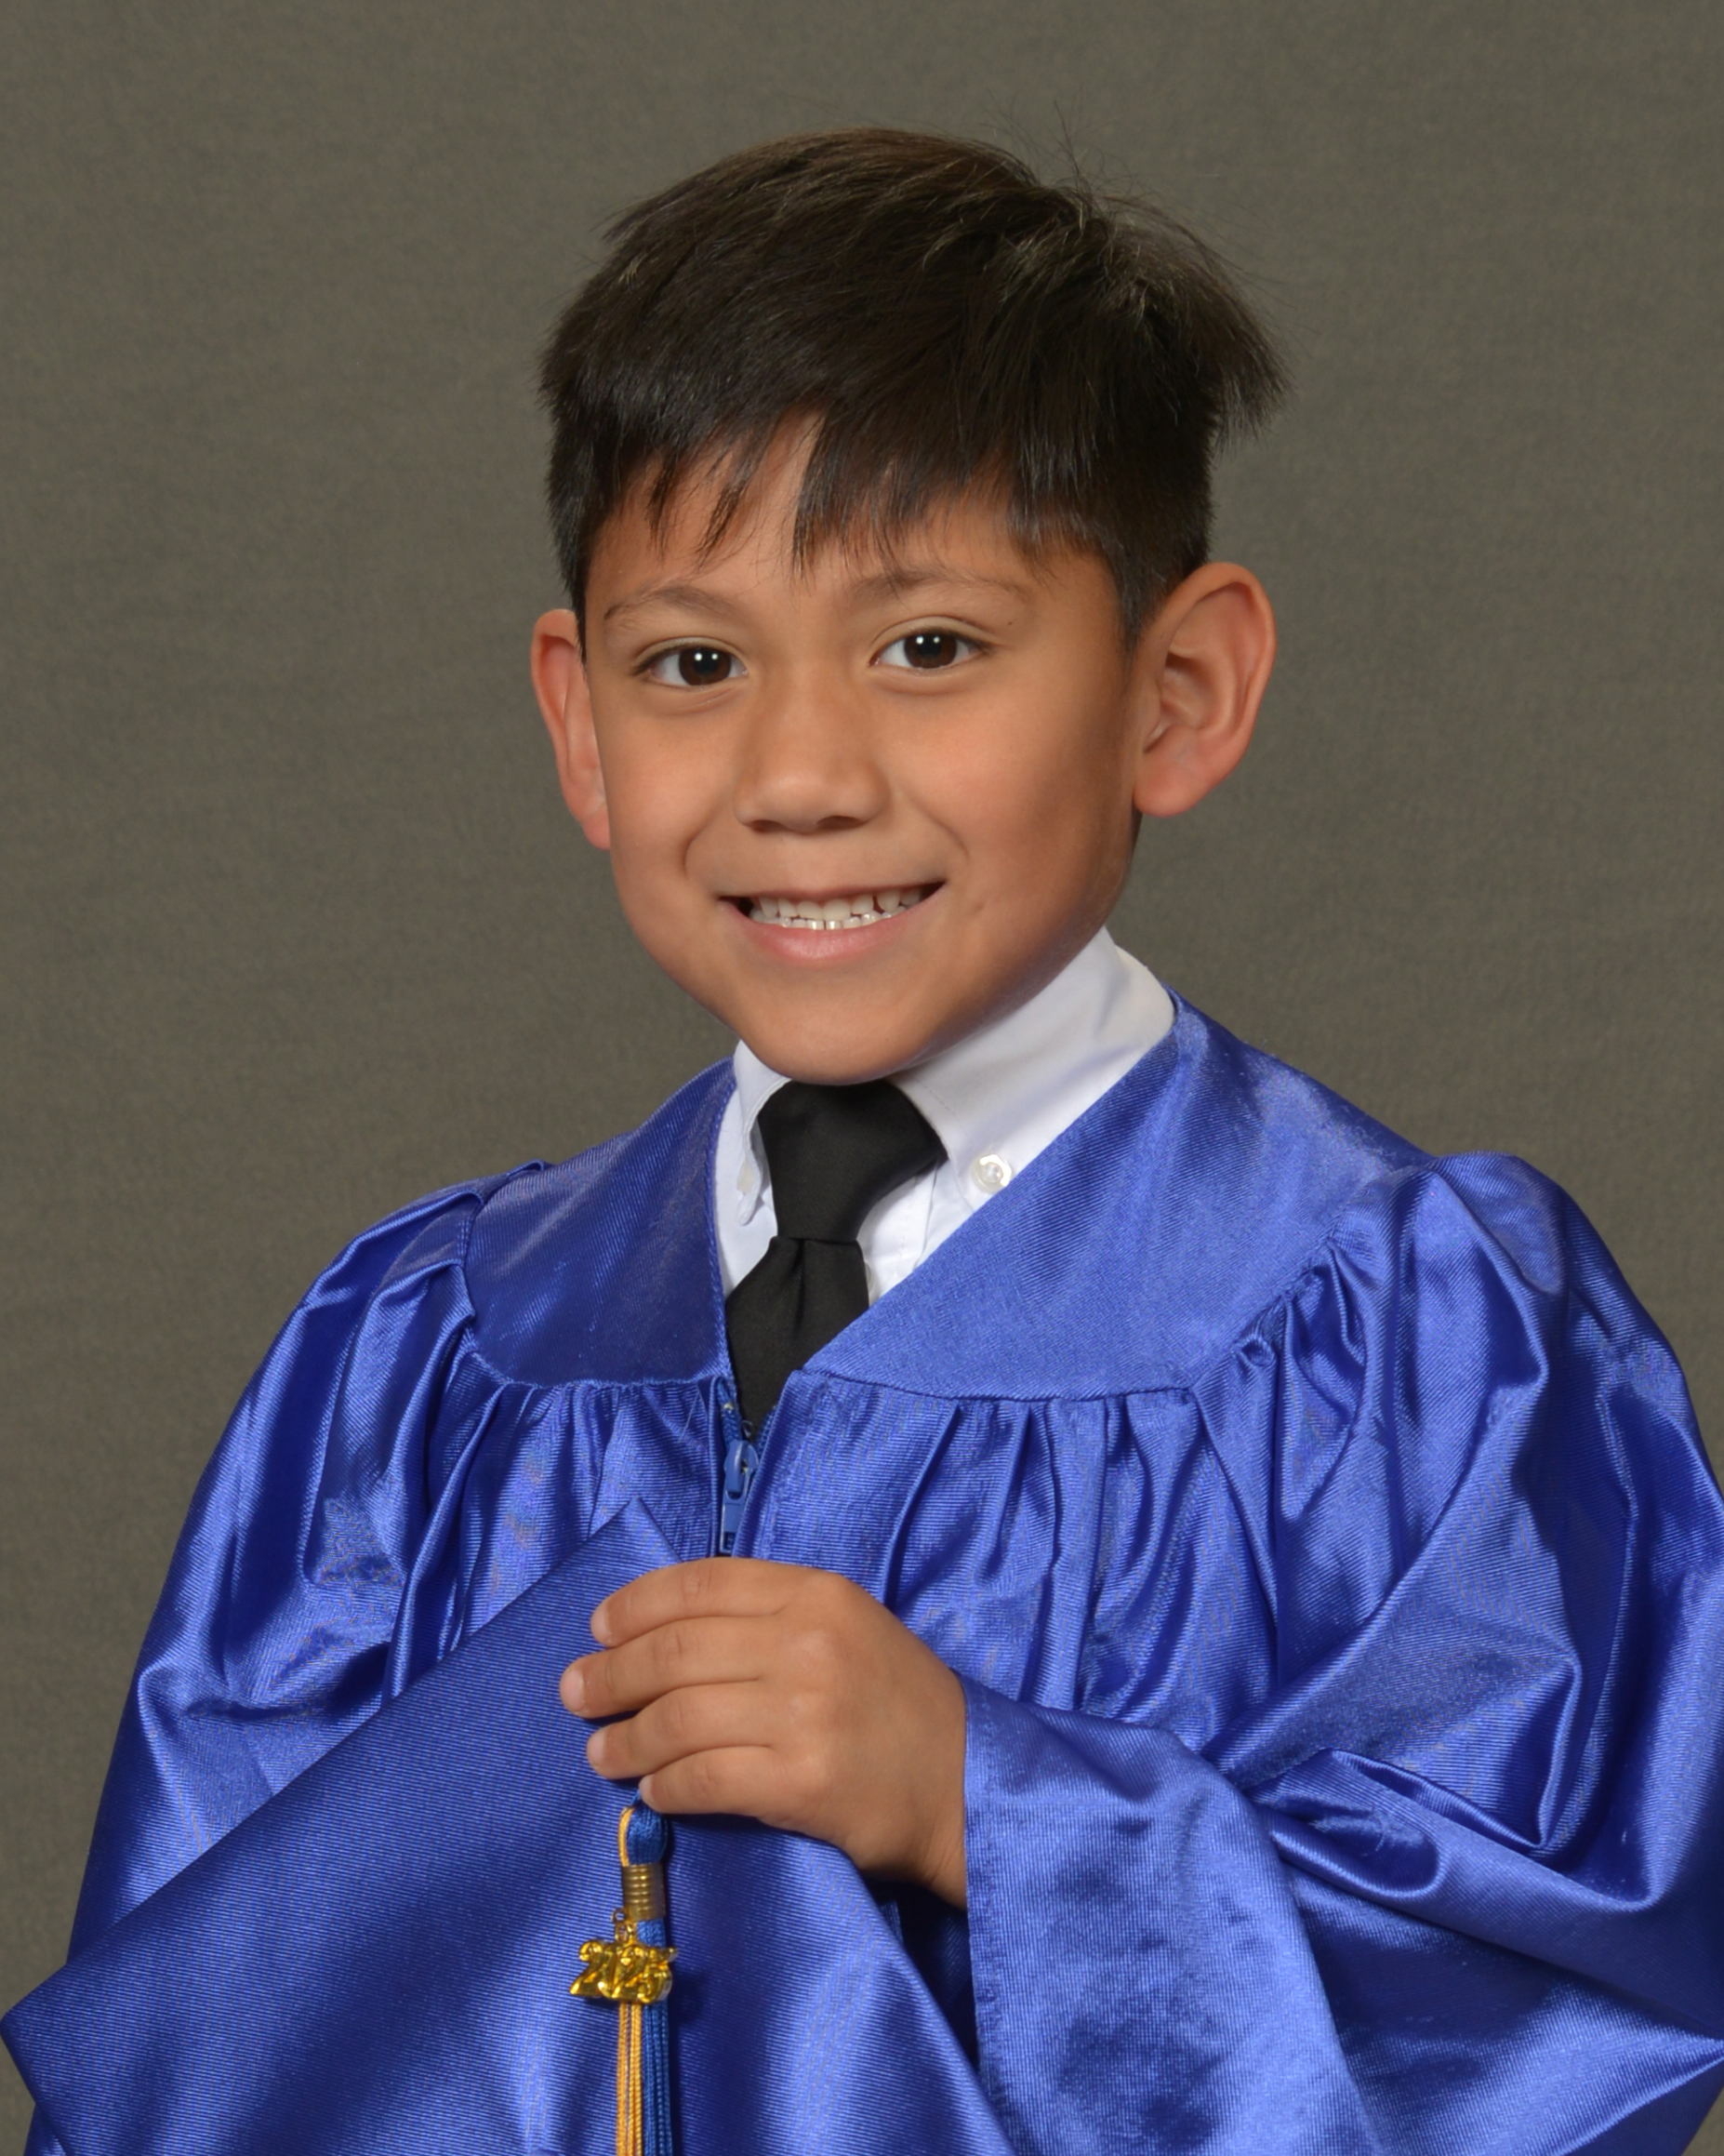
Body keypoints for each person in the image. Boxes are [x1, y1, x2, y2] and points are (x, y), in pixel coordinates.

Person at [7, 128, 1724, 2156]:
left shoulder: (1414, 1344)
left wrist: (987, 1801)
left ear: (1178, 690)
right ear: (577, 724)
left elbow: (1555, 2004)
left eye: (929, 647)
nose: (801, 774)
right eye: (693, 663)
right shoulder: (421, 1365)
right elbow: (196, 2059)